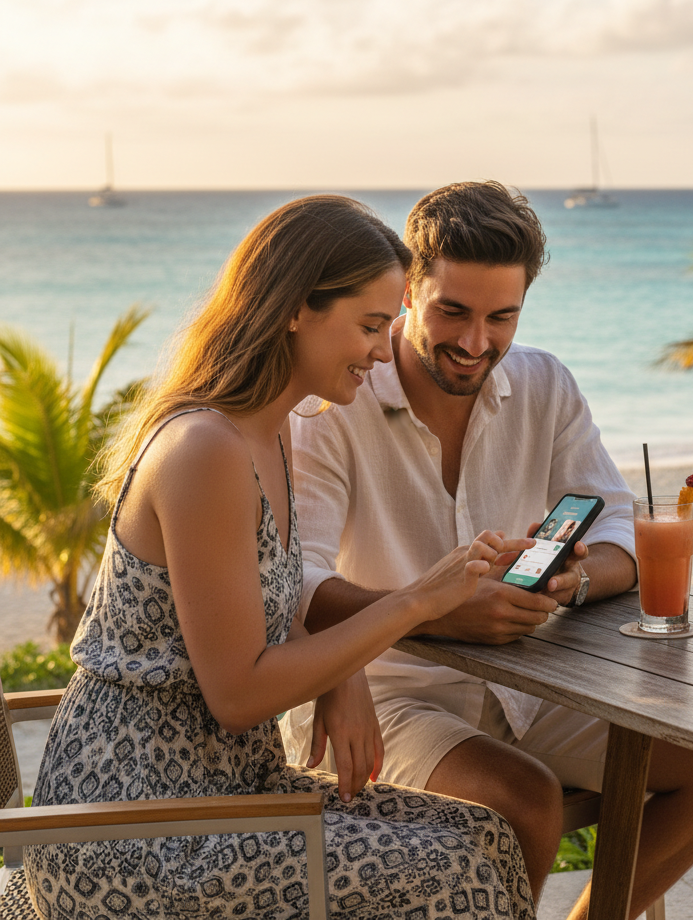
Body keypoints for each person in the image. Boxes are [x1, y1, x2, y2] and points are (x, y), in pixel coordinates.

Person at [24, 195, 536, 920]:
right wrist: (419, 600)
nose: (386, 351)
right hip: (134, 827)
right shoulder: (205, 449)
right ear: (297, 308)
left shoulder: (274, 432)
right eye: (368, 325)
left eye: (389, 325)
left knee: (486, 835)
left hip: (226, 793)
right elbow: (238, 695)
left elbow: (254, 606)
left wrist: (344, 666)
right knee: (451, 870)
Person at [287, 181, 693, 918]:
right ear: (407, 291)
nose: (476, 344)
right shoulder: (334, 404)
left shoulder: (543, 384)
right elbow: (298, 583)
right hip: (388, 694)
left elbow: (621, 534)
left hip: (534, 687)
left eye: (502, 317)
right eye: (453, 313)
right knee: (522, 802)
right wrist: (435, 615)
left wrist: (572, 580)